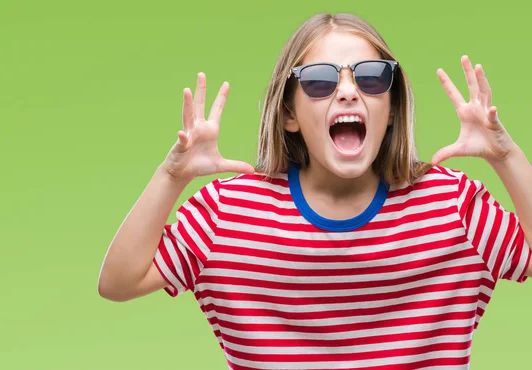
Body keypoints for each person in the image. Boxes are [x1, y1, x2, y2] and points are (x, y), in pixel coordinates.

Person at [97, 12, 532, 369]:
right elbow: (118, 281)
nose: (347, 92)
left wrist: (505, 155)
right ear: (289, 113)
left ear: (393, 108)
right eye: (321, 81)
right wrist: (172, 176)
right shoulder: (228, 213)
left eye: (372, 77)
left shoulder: (451, 206)